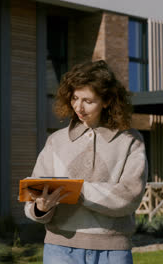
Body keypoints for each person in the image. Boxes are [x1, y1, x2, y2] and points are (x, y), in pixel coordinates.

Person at [24, 60, 148, 264]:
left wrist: (76, 191)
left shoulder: (130, 141)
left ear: (107, 101)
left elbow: (130, 196)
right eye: (74, 98)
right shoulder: (56, 141)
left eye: (88, 101)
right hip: (60, 249)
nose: (78, 107)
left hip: (113, 251)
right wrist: (41, 208)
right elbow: (33, 195)